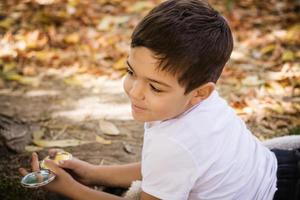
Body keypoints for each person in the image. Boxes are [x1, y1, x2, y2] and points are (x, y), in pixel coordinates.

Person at [19, 0, 300, 199]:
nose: (135, 91)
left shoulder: (175, 144)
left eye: (155, 87)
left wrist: (72, 189)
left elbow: (171, 162)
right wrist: (94, 173)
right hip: (282, 167)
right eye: (131, 72)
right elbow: (166, 168)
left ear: (200, 92)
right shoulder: (196, 104)